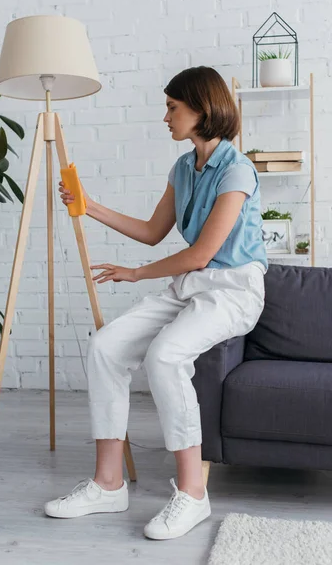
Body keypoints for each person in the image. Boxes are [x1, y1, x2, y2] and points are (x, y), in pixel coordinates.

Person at [44, 66, 268, 541]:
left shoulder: (237, 169)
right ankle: (108, 484)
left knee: (165, 356)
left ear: (201, 110)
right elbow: (151, 232)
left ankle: (192, 493)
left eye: (172, 107)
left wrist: (136, 274)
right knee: (106, 347)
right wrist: (88, 203)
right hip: (191, 285)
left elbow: (204, 253)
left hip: (233, 288)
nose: (165, 117)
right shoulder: (183, 168)